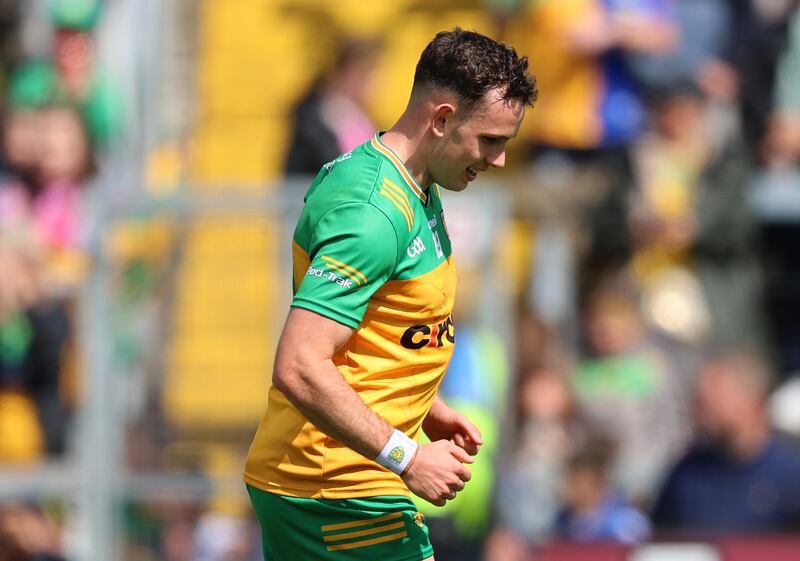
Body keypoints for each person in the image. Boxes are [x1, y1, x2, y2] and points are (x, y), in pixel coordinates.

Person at [244, 28, 537, 561]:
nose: (497, 161)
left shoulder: (413, 182)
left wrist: (425, 404)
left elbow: (373, 332)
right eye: (490, 140)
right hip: (337, 489)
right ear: (443, 119)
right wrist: (409, 456)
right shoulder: (374, 214)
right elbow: (300, 362)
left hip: (333, 478)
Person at [651, 351, 800, 532]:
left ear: (753, 399)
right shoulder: (686, 475)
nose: (704, 412)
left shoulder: (790, 474)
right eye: (700, 402)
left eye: (716, 400)